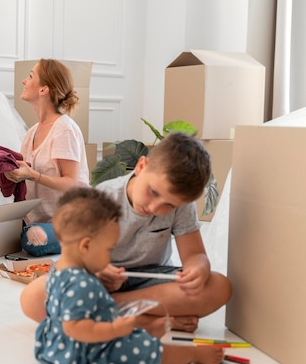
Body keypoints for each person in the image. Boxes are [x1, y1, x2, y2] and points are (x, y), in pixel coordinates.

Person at [21, 132, 233, 332]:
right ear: (141, 166)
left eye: (169, 205)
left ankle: (105, 310)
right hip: (97, 281)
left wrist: (198, 269)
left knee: (219, 287)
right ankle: (147, 319)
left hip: (149, 281)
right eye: (153, 192)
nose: (155, 208)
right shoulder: (104, 197)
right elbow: (73, 257)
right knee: (31, 298)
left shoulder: (182, 207)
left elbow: (195, 255)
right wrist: (97, 270)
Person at [35, 186, 224, 364]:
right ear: (86, 246)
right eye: (108, 249)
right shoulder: (82, 285)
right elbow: (76, 328)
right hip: (86, 352)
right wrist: (115, 329)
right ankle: (193, 355)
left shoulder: (59, 273)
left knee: (130, 331)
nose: (110, 257)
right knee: (150, 352)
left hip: (58, 344)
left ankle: (147, 330)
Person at [0, 59, 90, 256]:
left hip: (69, 220)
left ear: (44, 90)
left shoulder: (64, 129)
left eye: (31, 76)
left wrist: (32, 175)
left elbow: (71, 183)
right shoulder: (32, 132)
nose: (24, 81)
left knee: (32, 239)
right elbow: (18, 168)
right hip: (40, 221)